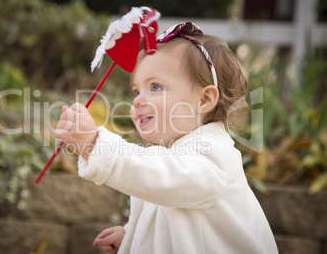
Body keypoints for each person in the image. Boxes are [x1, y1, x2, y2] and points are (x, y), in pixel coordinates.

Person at [55, 22, 278, 254]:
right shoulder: (175, 155)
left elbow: (161, 176)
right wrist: (132, 235)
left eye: (155, 87)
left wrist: (94, 143)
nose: (138, 100)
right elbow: (163, 200)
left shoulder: (213, 156)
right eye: (136, 91)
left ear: (203, 100)